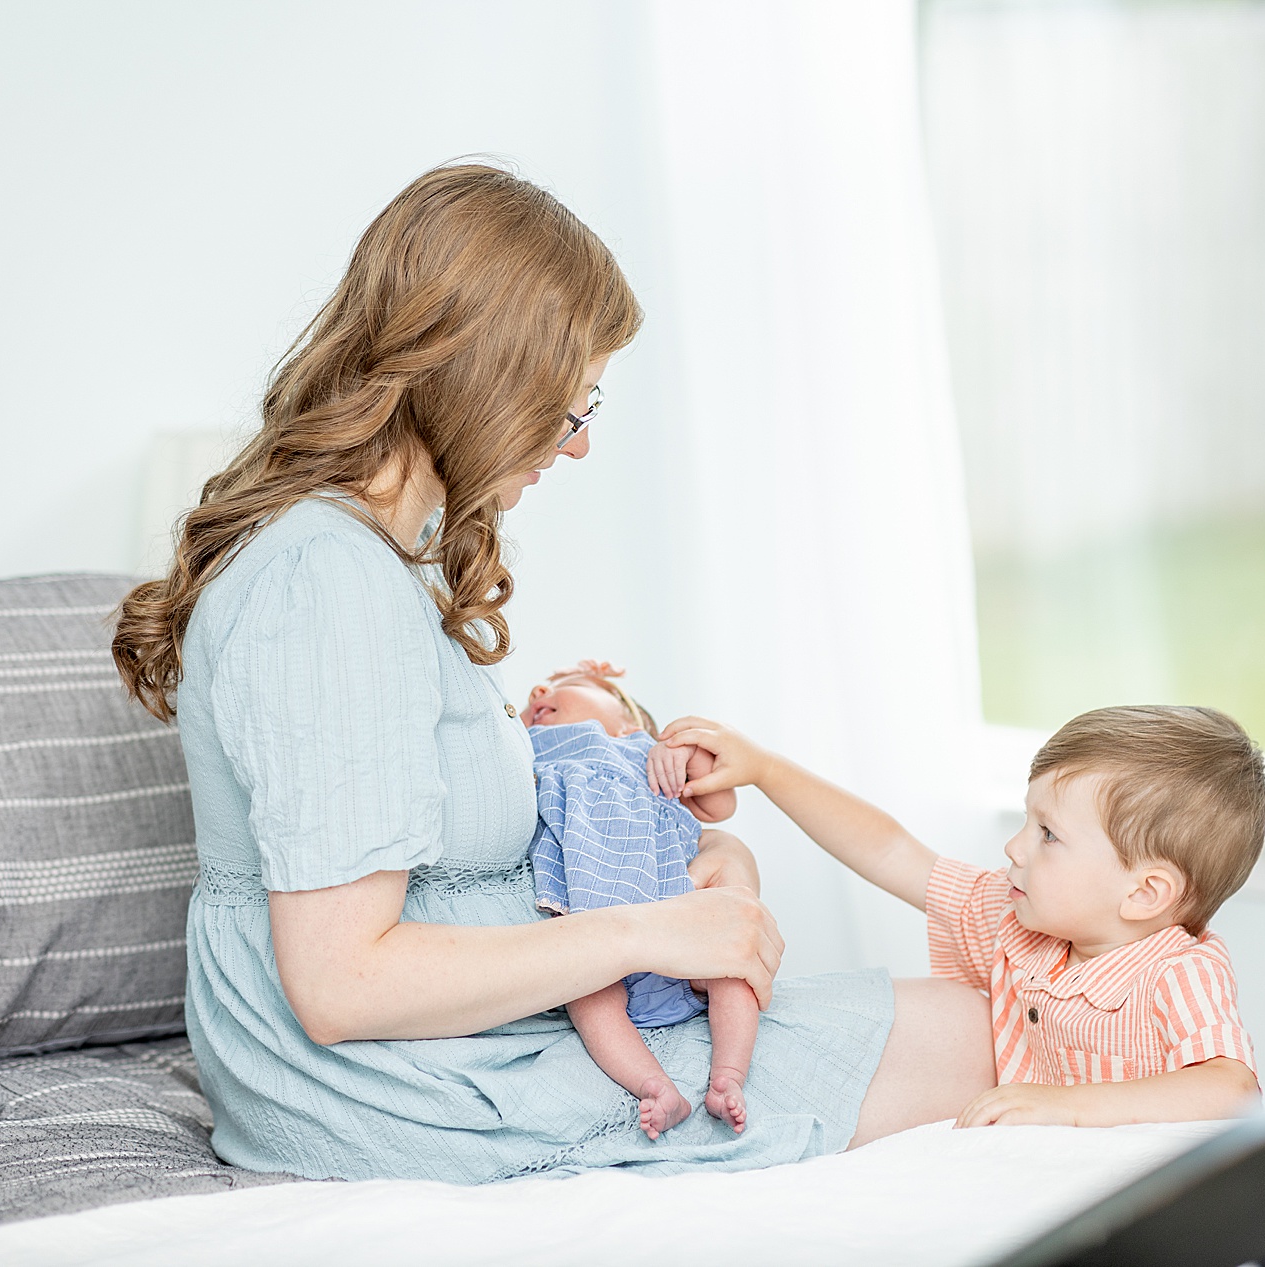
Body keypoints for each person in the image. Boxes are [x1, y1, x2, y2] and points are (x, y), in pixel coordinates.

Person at [111, 164, 990, 1184]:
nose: (576, 446)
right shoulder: (322, 581)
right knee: (986, 1032)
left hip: (471, 1043)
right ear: (480, 377)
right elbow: (343, 982)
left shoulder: (363, 567)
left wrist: (653, 833)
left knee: (978, 1023)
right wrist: (654, 929)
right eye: (568, 408)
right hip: (397, 1089)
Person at [659, 704, 1265, 1126]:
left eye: (1049, 834)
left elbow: (1231, 1088)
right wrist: (766, 769)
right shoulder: (1017, 925)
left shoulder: (1180, 970)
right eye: (1028, 822)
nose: (1015, 848)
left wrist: (1069, 1105)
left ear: (1144, 893)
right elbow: (891, 850)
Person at [519, 661, 755, 1139]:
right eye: (530, 698)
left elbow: (720, 805)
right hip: (592, 922)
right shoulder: (528, 753)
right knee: (588, 995)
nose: (539, 690)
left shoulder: (646, 754)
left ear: (628, 720)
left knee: (732, 972)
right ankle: (657, 1089)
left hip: (676, 914)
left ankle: (728, 1077)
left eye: (572, 686)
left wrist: (680, 749)